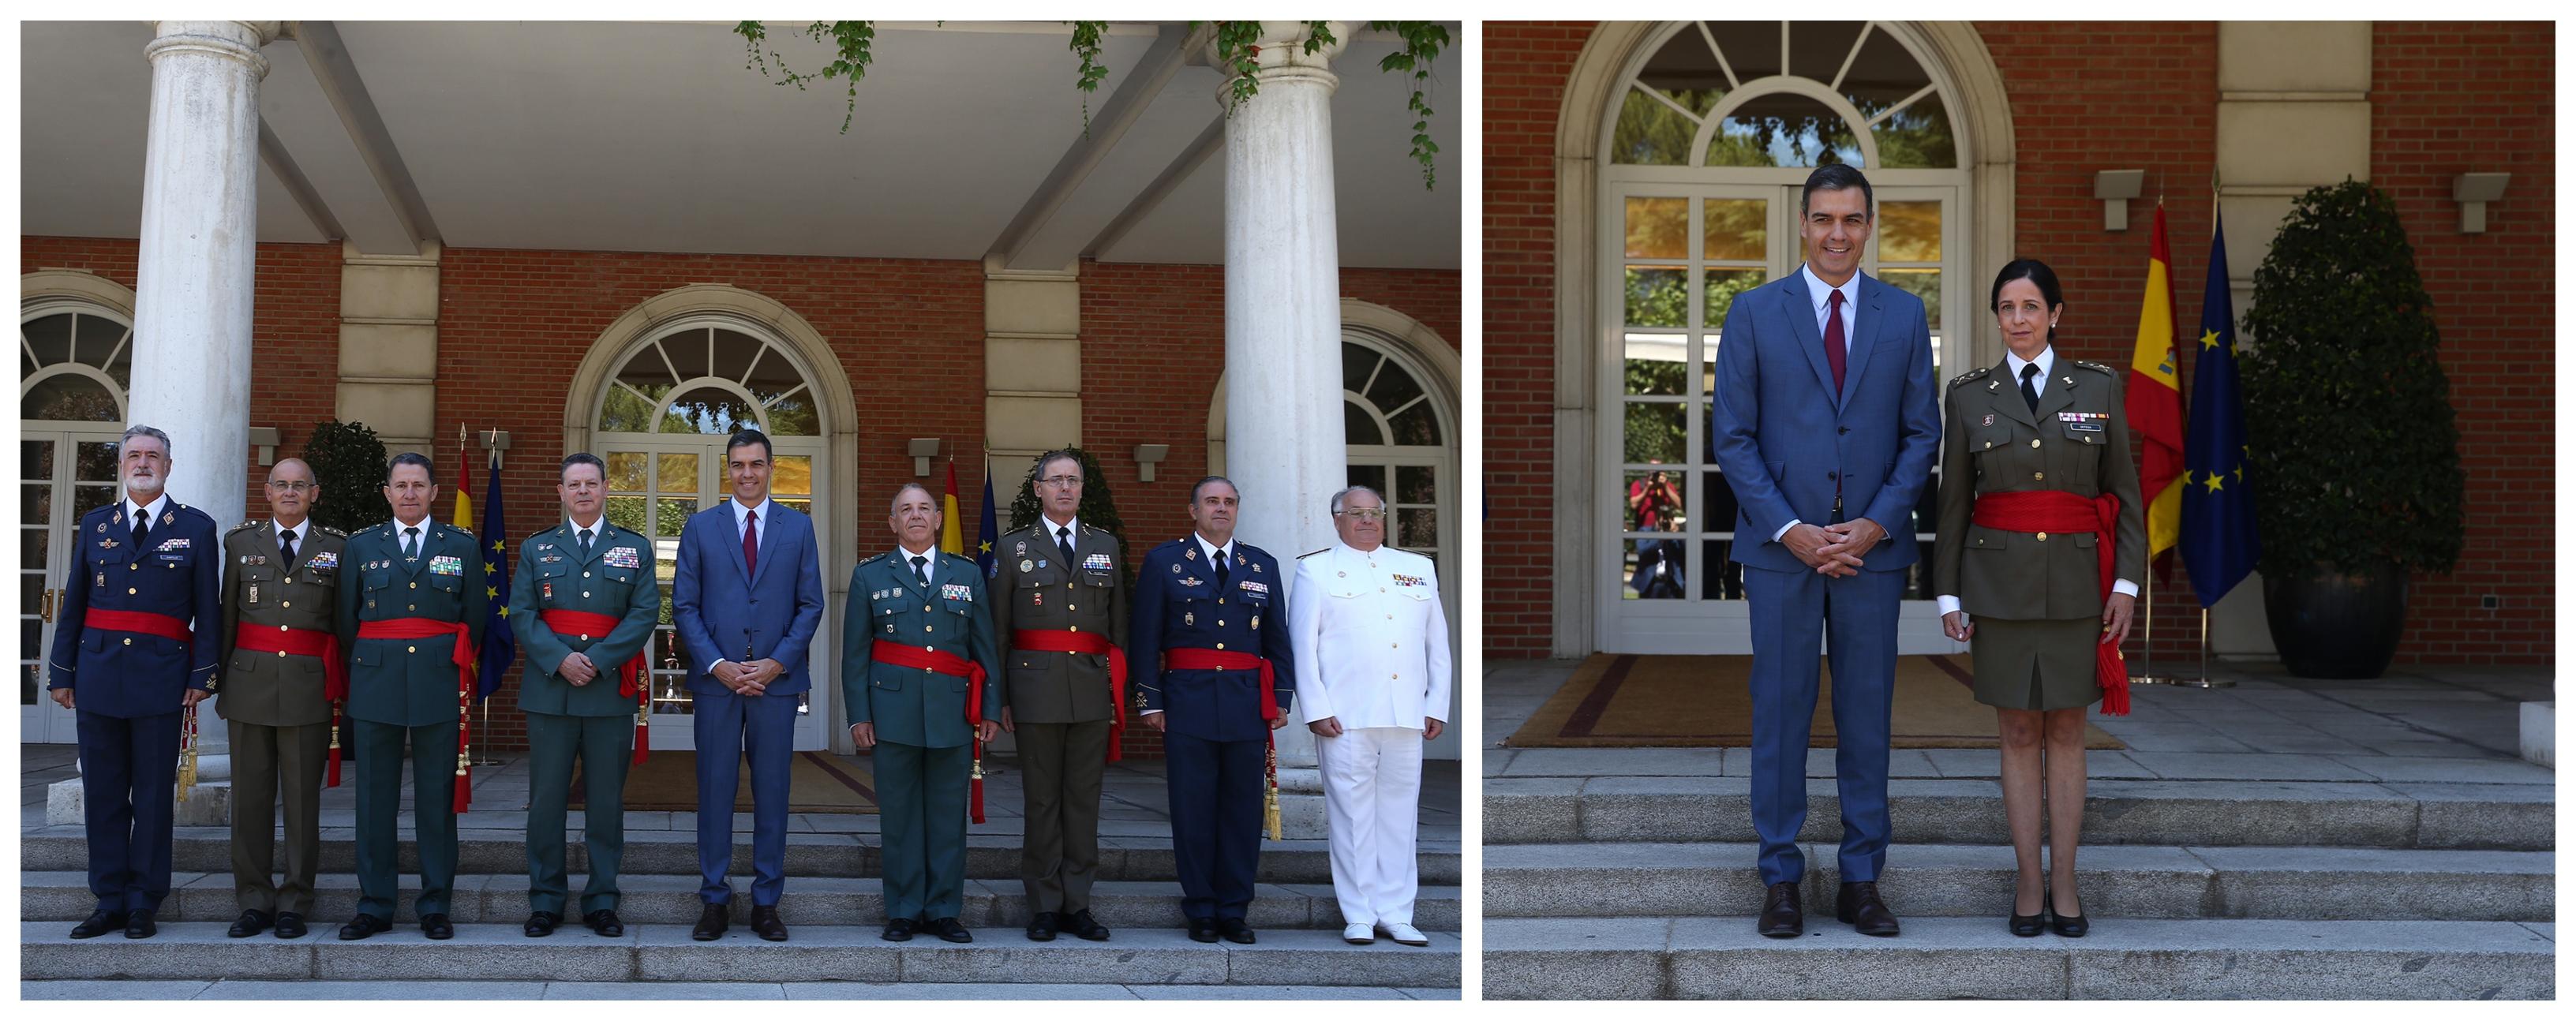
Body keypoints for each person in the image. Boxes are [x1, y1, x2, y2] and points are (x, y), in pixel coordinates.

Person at [1709, 163, 1939, 939]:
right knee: (1780, 715)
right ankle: (1780, 877)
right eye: (1824, 219)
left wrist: (1873, 524)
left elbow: (1921, 434)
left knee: (1867, 718)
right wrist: (1792, 530)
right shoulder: (1752, 312)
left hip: (1873, 553)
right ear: (1802, 225)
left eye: (1852, 219)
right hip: (1782, 554)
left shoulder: (1904, 315)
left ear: (1868, 226)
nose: (1837, 233)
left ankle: (1861, 878)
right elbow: (1732, 438)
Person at [1934, 259, 2144, 938]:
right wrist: (1946, 594)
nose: (2017, 320)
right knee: (2019, 730)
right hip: (1998, 588)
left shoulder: (2099, 387)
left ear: (2056, 313)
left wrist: (2126, 584)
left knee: (2068, 730)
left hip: (2080, 587)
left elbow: (2127, 498)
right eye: (2005, 307)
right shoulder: (1969, 396)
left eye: (2030, 306)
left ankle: (2066, 881)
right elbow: (1954, 504)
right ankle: (2028, 882)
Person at [47, 424, 219, 941]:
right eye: (134, 455)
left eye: (154, 456)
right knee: (102, 794)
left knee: (150, 797)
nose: (143, 463)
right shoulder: (97, 524)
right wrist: (61, 672)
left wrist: (202, 674)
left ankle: (145, 900)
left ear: (169, 466)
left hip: (162, 678)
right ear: (122, 465)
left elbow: (207, 611)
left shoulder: (195, 527)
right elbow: (75, 602)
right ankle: (109, 899)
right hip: (98, 674)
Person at [672, 428, 825, 942]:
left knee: (773, 793)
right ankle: (714, 900)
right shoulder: (700, 527)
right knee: (715, 790)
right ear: (728, 471)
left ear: (770, 468)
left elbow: (811, 605)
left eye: (756, 464)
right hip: (718, 684)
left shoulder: (798, 528)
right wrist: (718, 664)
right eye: (738, 465)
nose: (747, 474)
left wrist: (777, 664)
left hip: (775, 686)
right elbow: (685, 606)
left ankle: (766, 903)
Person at [1130, 476, 1294, 944]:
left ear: (1237, 509)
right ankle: (1201, 908)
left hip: (1246, 704)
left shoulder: (1261, 565)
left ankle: (1234, 909)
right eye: (1212, 502)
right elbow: (1146, 638)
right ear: (1193, 510)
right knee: (1193, 808)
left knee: (1242, 812)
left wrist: (1280, 698)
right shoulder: (1165, 562)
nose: (1221, 509)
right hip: (1187, 701)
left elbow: (1277, 639)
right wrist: (1150, 700)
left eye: (1229, 502)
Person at [1289, 485, 1451, 947]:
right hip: (1346, 715)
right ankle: (1359, 913)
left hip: (1406, 714)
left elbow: (1436, 645)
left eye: (1375, 512)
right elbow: (1303, 647)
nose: (1367, 520)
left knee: (1400, 816)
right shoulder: (1315, 569)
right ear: (1336, 519)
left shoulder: (1416, 568)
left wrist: (1436, 703)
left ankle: (1398, 912)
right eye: (1355, 513)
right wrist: (1316, 708)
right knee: (1353, 816)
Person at [335, 451, 486, 941]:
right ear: (387, 492)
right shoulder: (361, 546)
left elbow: (476, 616)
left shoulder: (461, 546)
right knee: (374, 799)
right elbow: (345, 620)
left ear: (435, 492)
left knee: (436, 801)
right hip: (376, 683)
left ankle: (435, 905)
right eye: (400, 485)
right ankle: (375, 904)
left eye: (418, 485)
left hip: (438, 681)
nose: (409, 494)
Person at [841, 483, 1002, 944]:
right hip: (892, 711)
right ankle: (905, 910)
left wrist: (989, 706)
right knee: (900, 815)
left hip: (953, 712)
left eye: (924, 509)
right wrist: (859, 716)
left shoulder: (967, 574)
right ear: (892, 523)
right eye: (905, 510)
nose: (915, 516)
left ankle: (945, 910)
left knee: (948, 816)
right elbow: (855, 654)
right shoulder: (870, 575)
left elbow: (984, 646)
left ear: (938, 520)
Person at [510, 452, 661, 938]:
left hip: (605, 692)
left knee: (605, 804)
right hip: (550, 691)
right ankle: (546, 899)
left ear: (605, 489)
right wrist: (559, 659)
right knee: (546, 803)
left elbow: (644, 614)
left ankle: (601, 899)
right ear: (560, 491)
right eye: (573, 484)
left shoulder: (634, 549)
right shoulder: (538, 548)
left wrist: (596, 660)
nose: (582, 492)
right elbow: (522, 614)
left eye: (591, 484)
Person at [990, 450, 1127, 943]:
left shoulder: (1105, 545)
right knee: (1042, 800)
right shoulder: (1012, 548)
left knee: (1084, 800)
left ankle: (1079, 904)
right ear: (1038, 490)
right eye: (1056, 480)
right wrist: (999, 697)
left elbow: (1118, 627)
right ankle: (1045, 904)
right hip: (1035, 689)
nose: (1065, 488)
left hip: (1091, 688)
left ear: (1081, 488)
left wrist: (1119, 691)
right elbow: (998, 631)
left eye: (1073, 480)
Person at [214, 457, 346, 940]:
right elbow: (226, 616)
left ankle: (294, 901)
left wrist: (344, 687)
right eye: (281, 485)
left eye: (300, 486)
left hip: (308, 689)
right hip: (248, 684)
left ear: (315, 493)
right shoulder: (240, 543)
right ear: (267, 492)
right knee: (249, 800)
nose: (290, 493)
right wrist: (216, 680)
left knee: (301, 801)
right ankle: (253, 900)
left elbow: (343, 625)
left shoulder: (336, 547)